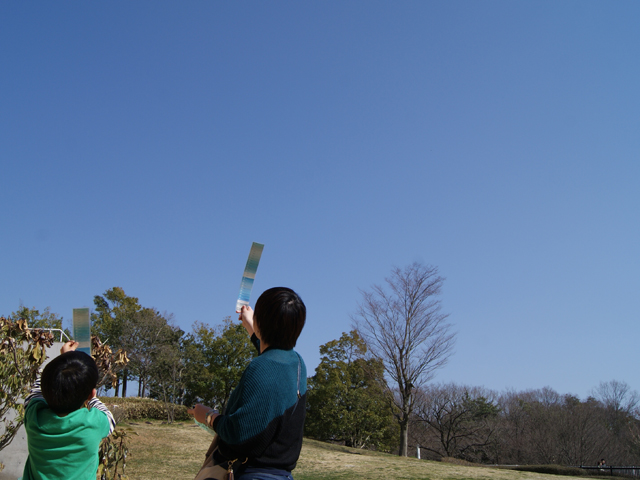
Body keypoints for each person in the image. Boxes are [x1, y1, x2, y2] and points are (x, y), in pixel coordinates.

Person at [188, 287, 307, 480]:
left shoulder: (260, 367)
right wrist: (253, 328)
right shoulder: (298, 364)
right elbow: (274, 358)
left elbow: (239, 433)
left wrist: (208, 416)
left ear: (260, 322)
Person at [22, 341, 116, 480]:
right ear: (90, 394)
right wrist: (93, 399)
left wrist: (64, 361)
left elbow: (38, 390)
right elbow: (109, 418)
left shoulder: (34, 416)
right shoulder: (92, 423)